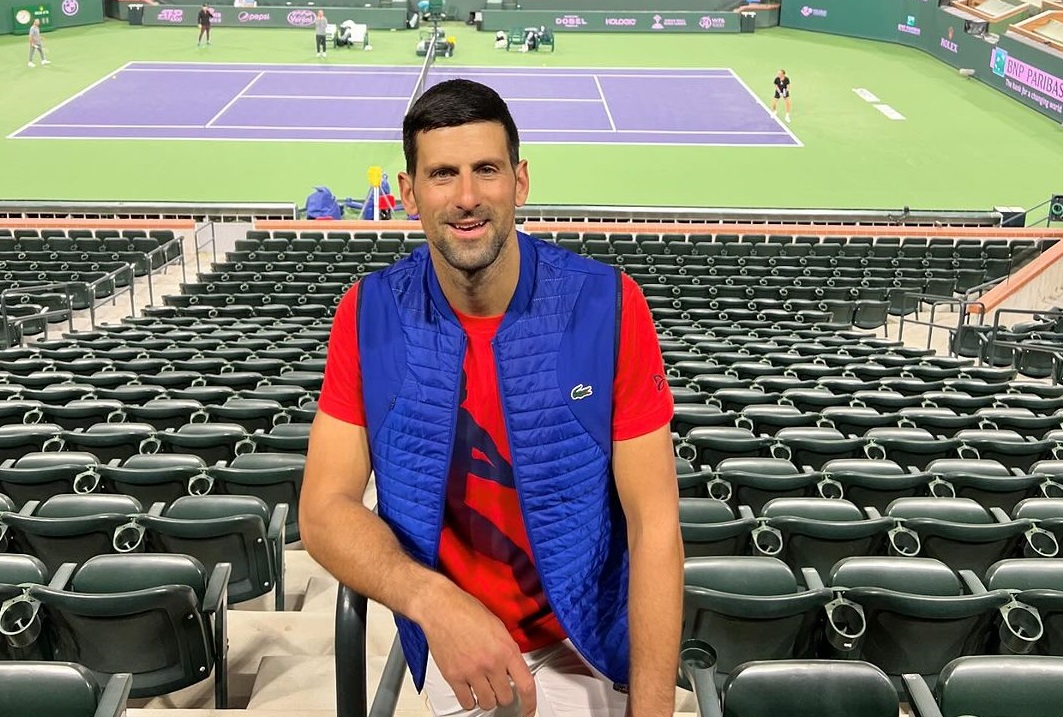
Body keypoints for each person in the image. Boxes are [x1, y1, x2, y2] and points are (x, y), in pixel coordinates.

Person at [301, 78, 682, 717]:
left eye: (487, 169)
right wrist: (431, 601)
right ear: (410, 193)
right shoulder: (366, 314)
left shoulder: (610, 306)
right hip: (454, 646)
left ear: (520, 181)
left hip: (587, 642)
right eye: (442, 174)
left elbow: (655, 525)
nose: (467, 197)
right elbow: (322, 510)